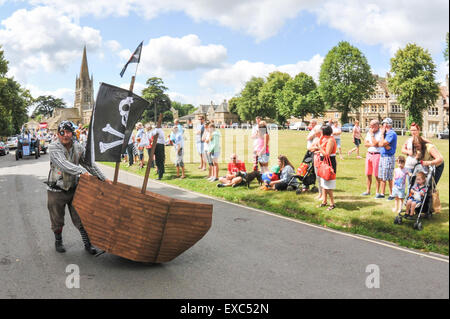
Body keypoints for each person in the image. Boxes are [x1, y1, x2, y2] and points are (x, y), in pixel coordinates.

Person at [46, 121, 112, 254]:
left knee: (81, 217)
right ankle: (58, 241)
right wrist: (82, 172)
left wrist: (103, 179)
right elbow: (63, 164)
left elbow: (89, 165)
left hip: (74, 188)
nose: (65, 135)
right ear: (58, 134)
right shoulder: (53, 147)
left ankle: (88, 244)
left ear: (73, 133)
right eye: (62, 132)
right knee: (57, 220)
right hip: (56, 190)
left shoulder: (78, 147)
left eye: (68, 132)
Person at [317, 124, 337, 210]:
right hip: (323, 162)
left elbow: (327, 154)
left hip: (329, 163)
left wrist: (319, 147)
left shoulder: (331, 140)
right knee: (323, 183)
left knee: (328, 184)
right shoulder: (325, 139)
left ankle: (332, 203)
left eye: (321, 131)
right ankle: (324, 201)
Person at [377, 118, 397, 200]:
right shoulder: (386, 134)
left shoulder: (391, 133)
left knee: (388, 176)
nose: (381, 126)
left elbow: (382, 143)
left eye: (383, 124)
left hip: (388, 157)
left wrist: (382, 135)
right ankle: (382, 193)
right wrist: (385, 144)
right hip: (383, 156)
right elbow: (380, 143)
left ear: (386, 125)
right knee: (382, 176)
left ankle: (392, 194)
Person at [362, 120, 383, 197]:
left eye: (372, 126)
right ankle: (368, 190)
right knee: (368, 173)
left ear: (377, 125)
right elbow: (365, 144)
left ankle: (377, 192)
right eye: (370, 125)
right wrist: (372, 144)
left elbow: (376, 143)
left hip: (377, 155)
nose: (371, 127)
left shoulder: (380, 133)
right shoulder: (369, 132)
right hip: (369, 154)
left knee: (377, 174)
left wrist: (372, 136)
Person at [308, 125, 324, 200]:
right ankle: (320, 193)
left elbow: (323, 149)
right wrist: (315, 148)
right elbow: (310, 148)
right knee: (318, 177)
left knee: (322, 177)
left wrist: (316, 148)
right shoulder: (316, 139)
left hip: (321, 158)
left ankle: (324, 194)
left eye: (315, 131)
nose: (314, 133)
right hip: (315, 158)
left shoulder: (323, 138)